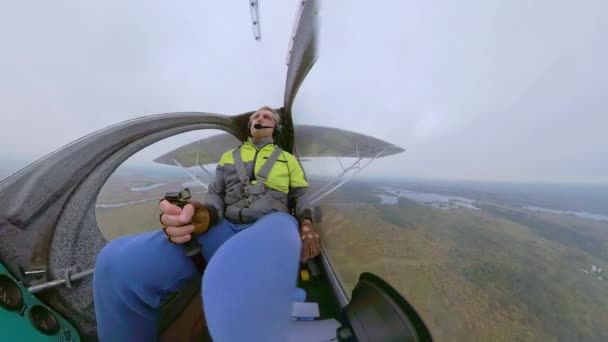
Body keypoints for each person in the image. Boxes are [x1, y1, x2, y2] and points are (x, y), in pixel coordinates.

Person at [93, 106, 322, 341]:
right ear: (250, 126)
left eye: (267, 116)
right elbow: (216, 194)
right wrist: (205, 214)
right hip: (228, 223)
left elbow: (300, 195)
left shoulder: (288, 160)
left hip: (274, 221)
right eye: (257, 116)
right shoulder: (229, 158)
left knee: (242, 296)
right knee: (115, 265)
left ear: (276, 127)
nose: (261, 117)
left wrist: (305, 223)